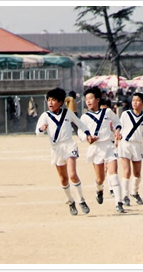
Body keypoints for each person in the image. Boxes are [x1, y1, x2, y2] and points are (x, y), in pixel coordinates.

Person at [36, 87, 97, 216]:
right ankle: (70, 201)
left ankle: (81, 200)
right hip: (56, 149)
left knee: (73, 175)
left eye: (54, 100)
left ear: (60, 102)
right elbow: (37, 133)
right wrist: (42, 129)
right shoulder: (45, 116)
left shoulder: (67, 113)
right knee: (63, 178)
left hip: (69, 145)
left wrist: (87, 134)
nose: (51, 103)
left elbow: (81, 124)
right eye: (49, 100)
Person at [80, 87, 125, 213]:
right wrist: (87, 138)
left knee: (114, 174)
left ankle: (118, 203)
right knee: (100, 178)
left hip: (109, 146)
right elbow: (80, 131)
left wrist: (117, 131)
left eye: (90, 98)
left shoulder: (107, 112)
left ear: (98, 99)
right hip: (96, 148)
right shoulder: (85, 117)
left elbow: (117, 122)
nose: (88, 101)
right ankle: (99, 189)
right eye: (86, 99)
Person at [118, 92, 143, 206]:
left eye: (137, 101)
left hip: (137, 146)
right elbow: (119, 129)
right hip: (125, 144)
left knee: (137, 173)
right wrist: (117, 140)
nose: (134, 103)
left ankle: (134, 192)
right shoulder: (125, 114)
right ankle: (125, 195)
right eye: (133, 100)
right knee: (126, 171)